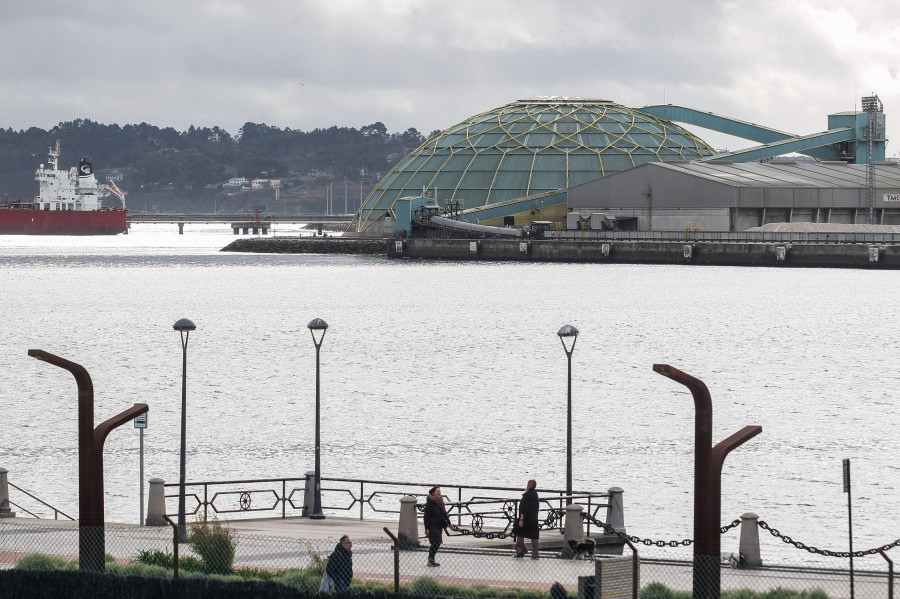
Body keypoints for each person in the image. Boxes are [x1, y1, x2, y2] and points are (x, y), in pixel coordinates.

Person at [423, 486, 456, 567]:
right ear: (433, 493)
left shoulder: (440, 501)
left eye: (440, 491)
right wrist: (426, 528)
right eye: (437, 491)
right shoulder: (430, 502)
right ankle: (430, 560)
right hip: (432, 525)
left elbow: (444, 513)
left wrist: (449, 523)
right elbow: (426, 516)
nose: (439, 493)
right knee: (435, 542)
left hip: (439, 525)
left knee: (437, 543)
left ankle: (431, 559)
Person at [514, 479, 540, 559]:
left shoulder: (526, 496)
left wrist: (521, 519)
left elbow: (523, 509)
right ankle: (535, 553)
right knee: (534, 536)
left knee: (519, 533)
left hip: (526, 519)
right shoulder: (535, 495)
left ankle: (520, 551)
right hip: (534, 518)